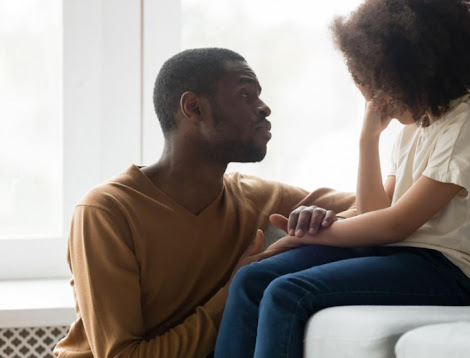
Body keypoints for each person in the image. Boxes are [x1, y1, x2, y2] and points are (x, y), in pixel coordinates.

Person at [213, 0, 470, 357]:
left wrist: (317, 235)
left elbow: (394, 225)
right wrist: (368, 138)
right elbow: (376, 210)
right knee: (251, 281)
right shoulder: (420, 126)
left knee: (288, 293)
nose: (374, 101)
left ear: (413, 73)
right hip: (403, 254)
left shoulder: (469, 128)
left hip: (453, 271)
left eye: (378, 88)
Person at [53, 48, 355, 358]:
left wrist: (322, 218)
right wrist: (236, 290)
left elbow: (378, 206)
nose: (264, 108)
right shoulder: (107, 212)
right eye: (245, 94)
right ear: (194, 108)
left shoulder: (259, 197)